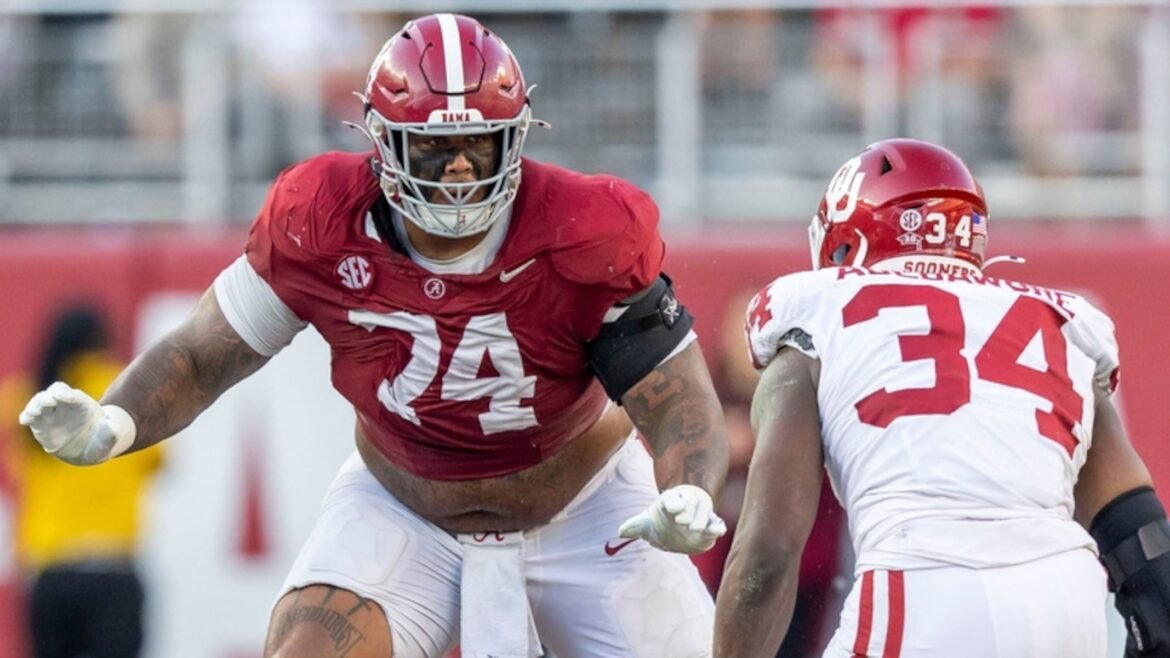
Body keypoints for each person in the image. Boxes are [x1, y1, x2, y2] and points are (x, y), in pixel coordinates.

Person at [19, 13, 730, 658]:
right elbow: (206, 352)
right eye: (435, 148)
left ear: (514, 138)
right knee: (309, 648)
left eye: (478, 145)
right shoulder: (319, 221)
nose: (458, 169)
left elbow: (676, 399)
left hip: (588, 510)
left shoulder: (586, 229)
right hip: (404, 510)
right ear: (383, 145)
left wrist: (689, 487)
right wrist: (115, 420)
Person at [713, 138, 1170, 657]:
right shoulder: (1059, 325)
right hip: (1067, 601)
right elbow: (1139, 531)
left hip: (924, 585)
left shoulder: (814, 313)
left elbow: (768, 551)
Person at [1, 305, 162, 658]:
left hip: (51, 574)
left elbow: (18, 463)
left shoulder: (25, 397)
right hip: (113, 570)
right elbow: (160, 460)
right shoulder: (123, 391)